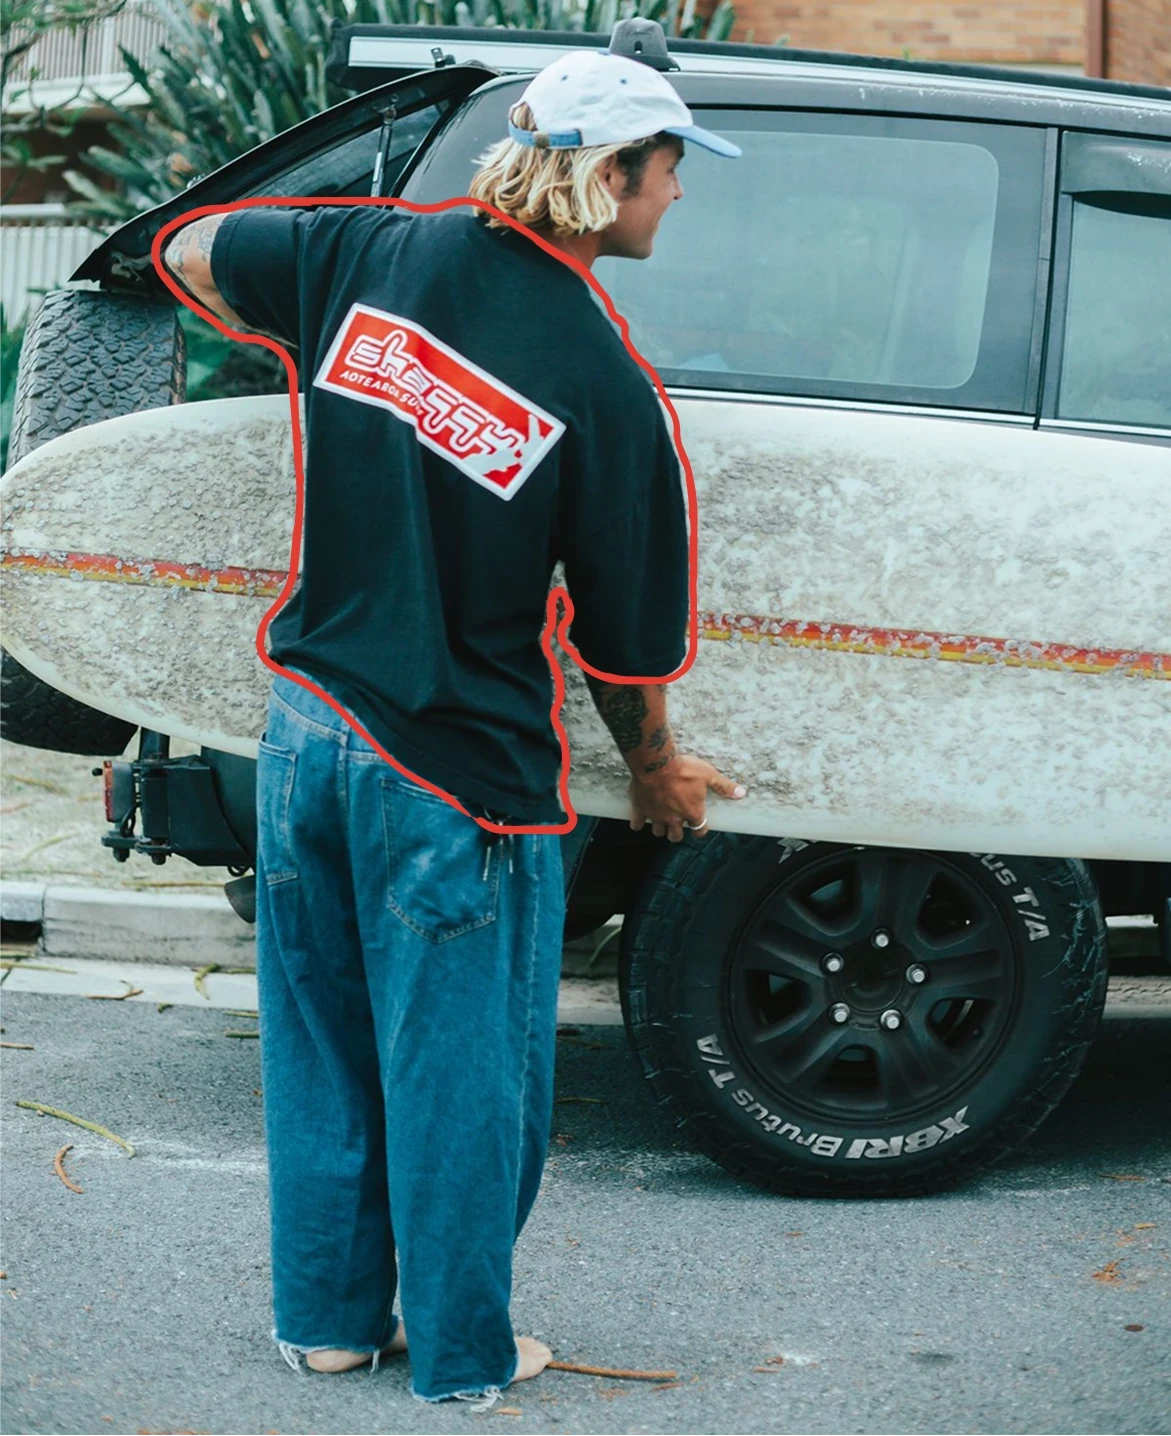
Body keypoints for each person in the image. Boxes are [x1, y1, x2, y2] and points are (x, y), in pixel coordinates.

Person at [160, 46, 747, 1412]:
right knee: (462, 1086)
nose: (676, 198)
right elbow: (622, 644)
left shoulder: (362, 254)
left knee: (322, 1048)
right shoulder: (600, 383)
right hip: (456, 781)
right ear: (605, 178)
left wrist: (329, 293)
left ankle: (323, 1326)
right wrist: (654, 773)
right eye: (667, 172)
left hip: (308, 730)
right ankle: (467, 1360)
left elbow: (189, 252)